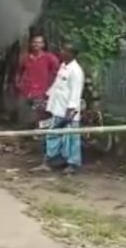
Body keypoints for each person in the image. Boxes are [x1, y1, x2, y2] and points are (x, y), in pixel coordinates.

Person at [34, 43, 84, 175]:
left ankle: (72, 164)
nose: (61, 52)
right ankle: (50, 161)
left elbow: (76, 92)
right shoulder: (63, 66)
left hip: (68, 111)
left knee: (71, 138)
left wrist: (71, 110)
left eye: (64, 50)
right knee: (53, 135)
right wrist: (46, 97)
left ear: (72, 54)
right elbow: (57, 86)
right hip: (57, 108)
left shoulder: (76, 71)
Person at [16, 32, 60, 128]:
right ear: (31, 44)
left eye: (39, 43)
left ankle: (40, 136)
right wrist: (19, 84)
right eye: (34, 42)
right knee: (27, 117)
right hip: (27, 92)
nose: (36, 45)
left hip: (42, 93)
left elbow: (56, 74)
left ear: (43, 45)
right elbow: (19, 72)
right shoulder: (26, 58)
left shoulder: (50, 58)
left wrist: (51, 89)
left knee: (41, 116)